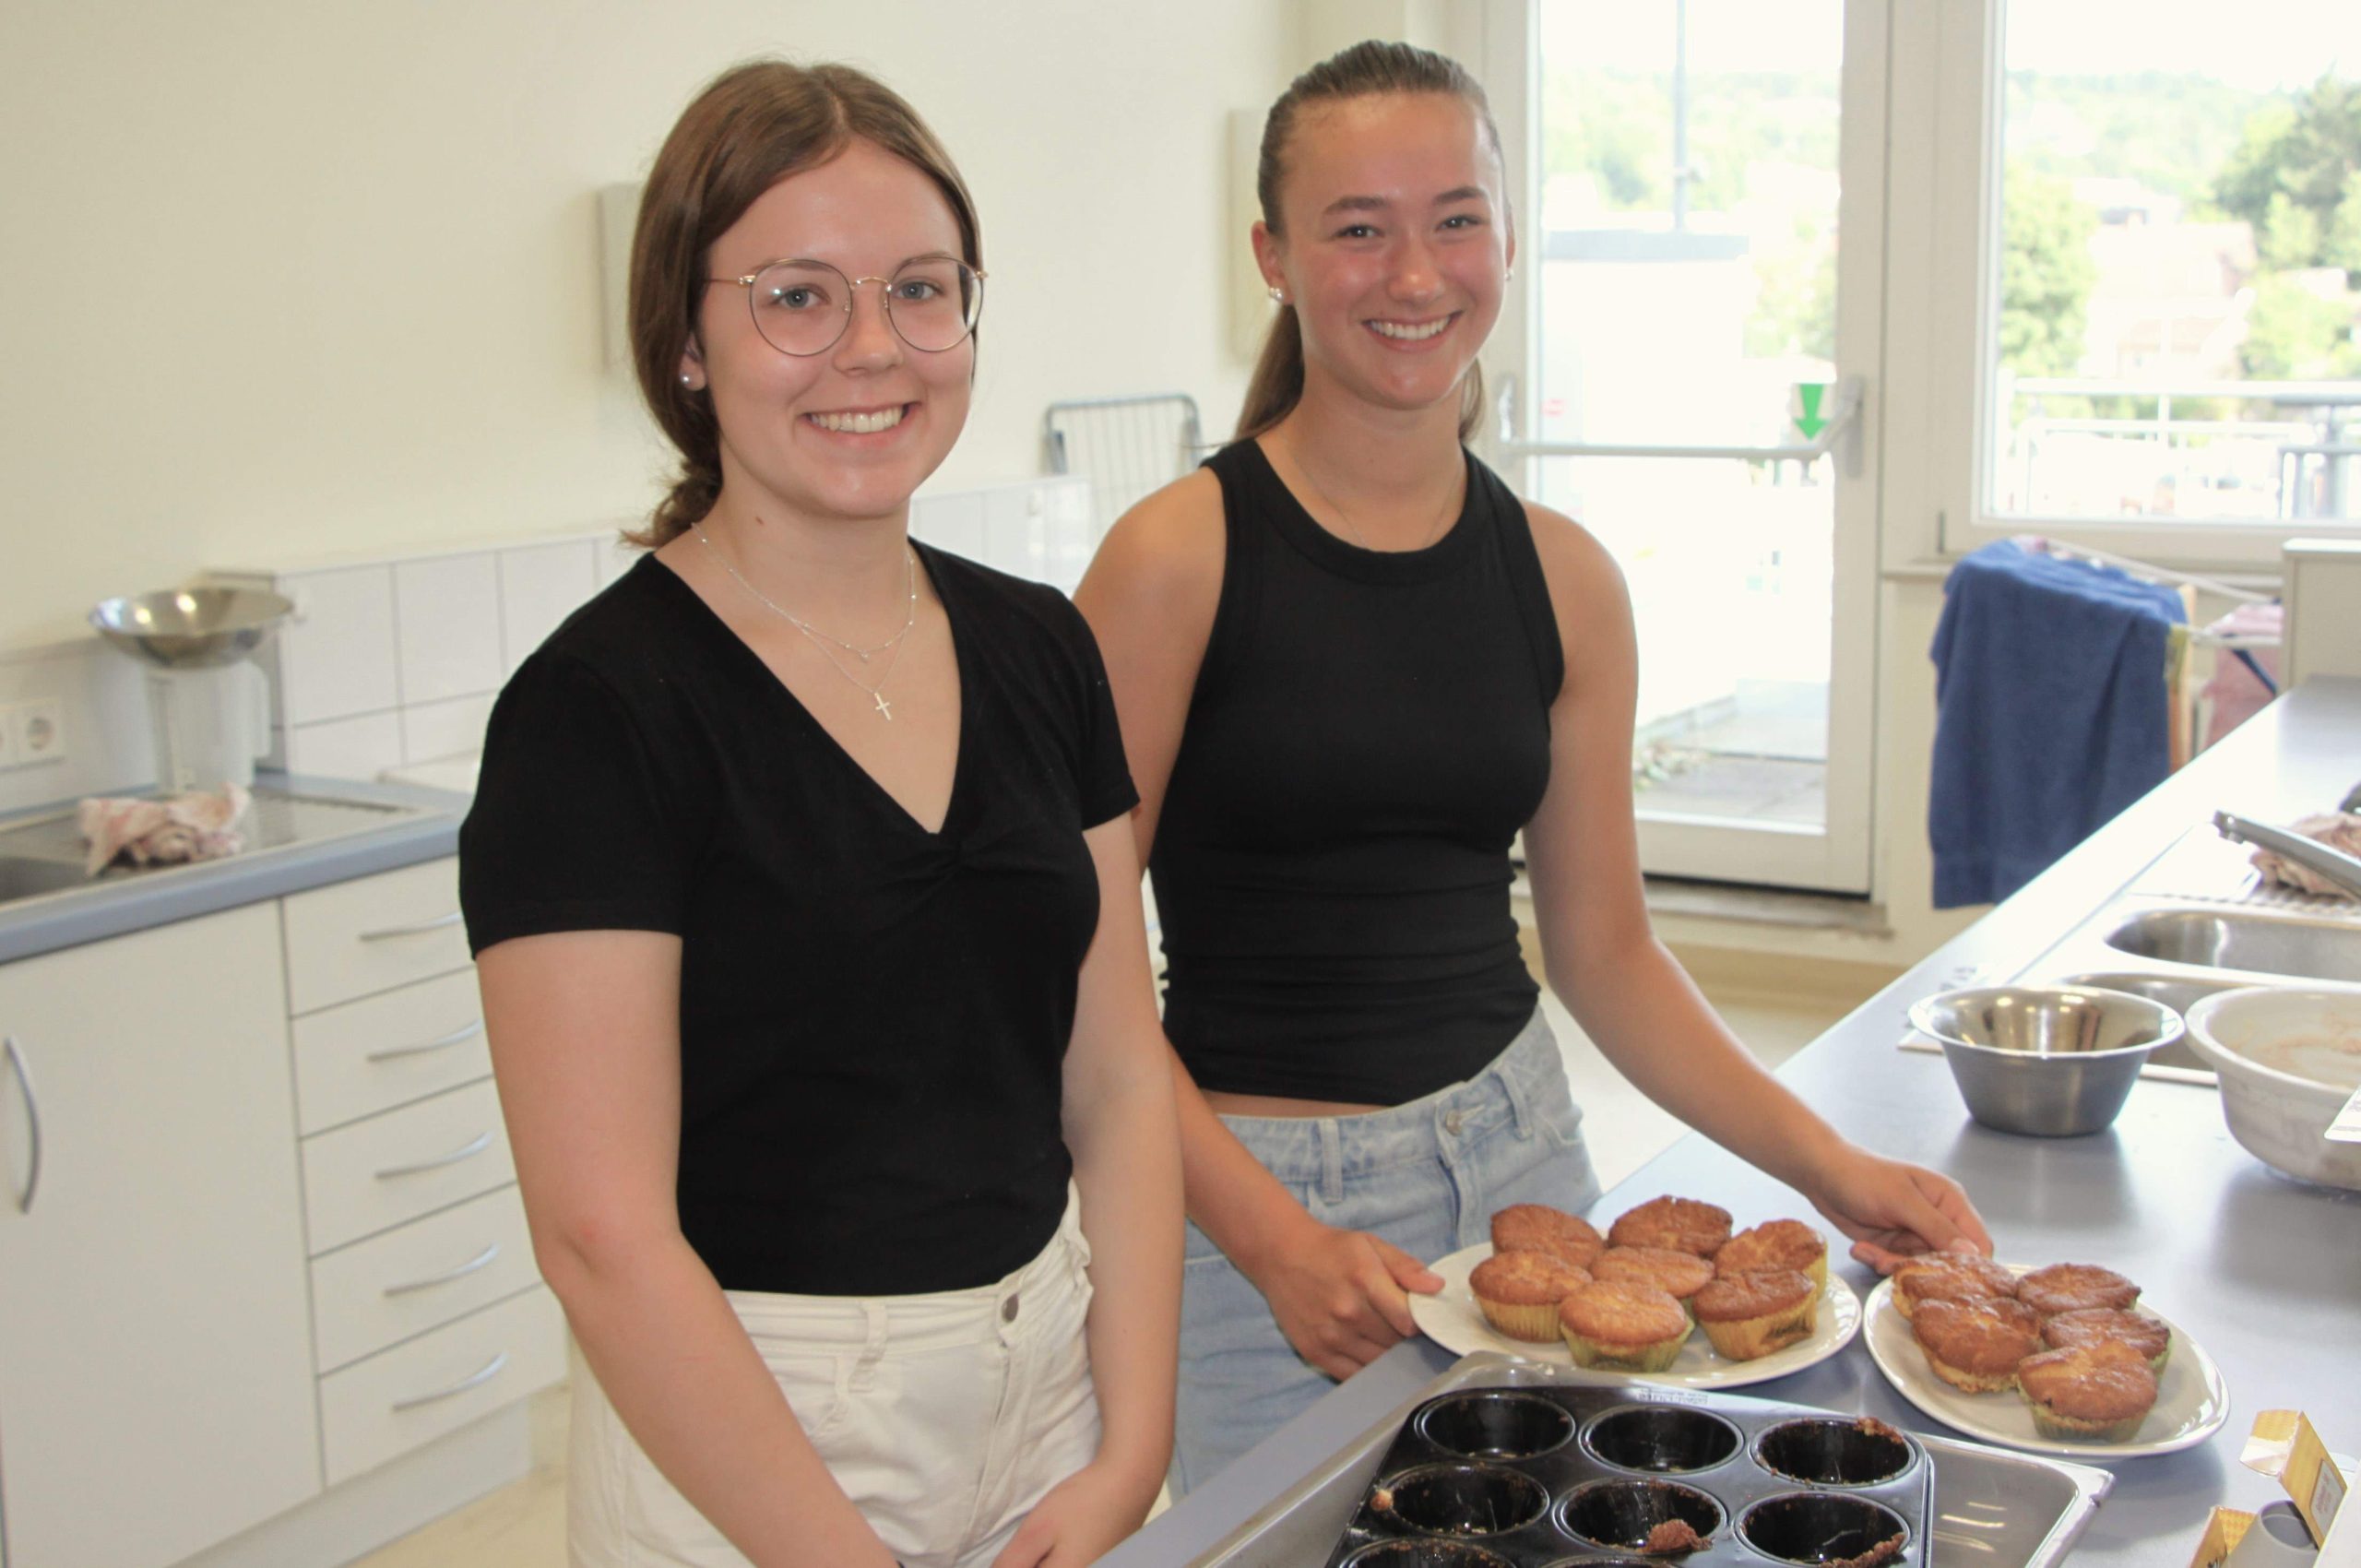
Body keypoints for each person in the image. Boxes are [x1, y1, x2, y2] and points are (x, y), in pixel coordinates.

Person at [1072, 40, 1991, 1495]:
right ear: (1274, 255)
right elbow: (1071, 954)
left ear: (1508, 237)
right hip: (1250, 1208)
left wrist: (1834, 1169)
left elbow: (1609, 952)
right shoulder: (1173, 560)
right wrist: (1270, 1238)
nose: (1413, 272)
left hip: (1526, 1179)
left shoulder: (1564, 578)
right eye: (1356, 226)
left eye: (1455, 218)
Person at [459, 60, 1180, 1568]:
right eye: (797, 297)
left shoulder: (1039, 646)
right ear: (688, 342)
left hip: (1055, 1383)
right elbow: (601, 1240)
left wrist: (1133, 1446)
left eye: (922, 290)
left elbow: (1114, 1081)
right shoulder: (598, 715)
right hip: (757, 1443)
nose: (873, 349)